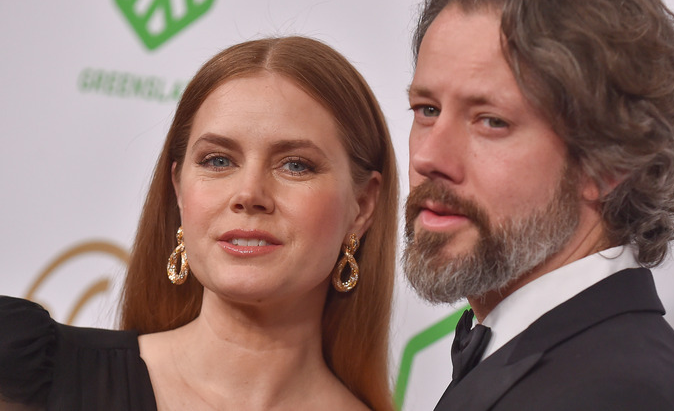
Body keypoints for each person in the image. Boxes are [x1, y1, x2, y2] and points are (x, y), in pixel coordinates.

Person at [0, 36, 398, 411]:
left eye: (295, 165)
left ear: (362, 205)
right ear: (178, 189)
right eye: (218, 161)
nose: (249, 193)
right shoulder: (28, 371)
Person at [402, 0, 674, 409]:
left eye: (491, 120)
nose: (429, 157)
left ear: (608, 161)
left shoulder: (621, 395)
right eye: (427, 110)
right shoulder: (541, 359)